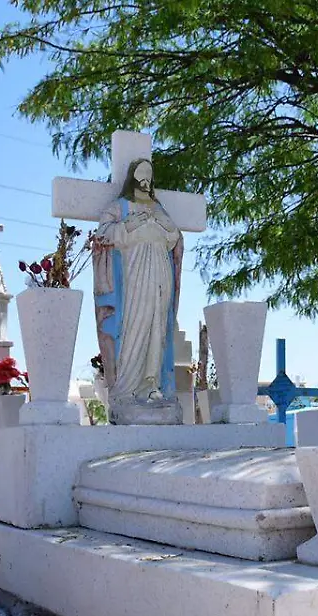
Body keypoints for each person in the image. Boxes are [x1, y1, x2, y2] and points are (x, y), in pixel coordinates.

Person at [91, 159, 183, 423]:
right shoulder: (119, 208)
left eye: (149, 177)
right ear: (132, 178)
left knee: (158, 327)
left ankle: (152, 384)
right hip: (133, 278)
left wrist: (158, 224)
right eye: (140, 176)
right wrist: (133, 224)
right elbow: (104, 235)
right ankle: (128, 387)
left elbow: (174, 236)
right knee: (136, 325)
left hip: (161, 273)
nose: (145, 182)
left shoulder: (158, 208)